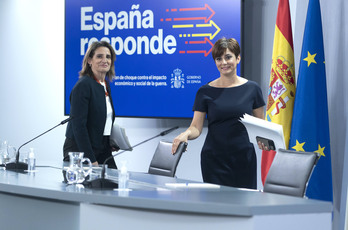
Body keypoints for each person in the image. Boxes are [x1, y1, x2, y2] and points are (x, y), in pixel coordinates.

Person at [172, 38, 265, 189]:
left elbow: (262, 124)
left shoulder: (253, 89)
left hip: (244, 158)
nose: (224, 62)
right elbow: (196, 127)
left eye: (228, 57)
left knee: (244, 206)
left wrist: (265, 139)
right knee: (217, 207)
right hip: (214, 159)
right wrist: (186, 134)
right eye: (219, 58)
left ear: (238, 58)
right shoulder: (205, 91)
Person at [63, 41, 118, 168]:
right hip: (80, 151)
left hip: (102, 148)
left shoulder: (104, 84)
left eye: (108, 57)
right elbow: (79, 127)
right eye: (99, 56)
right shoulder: (83, 85)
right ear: (89, 60)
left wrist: (108, 141)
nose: (105, 60)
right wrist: (91, 160)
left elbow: (100, 118)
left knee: (114, 184)